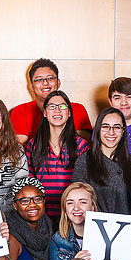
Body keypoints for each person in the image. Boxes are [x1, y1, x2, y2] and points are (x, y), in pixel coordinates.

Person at [46, 182, 118, 260]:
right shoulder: (59, 239)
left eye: (83, 202)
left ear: (93, 207)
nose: (76, 208)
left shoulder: (108, 239)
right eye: (70, 203)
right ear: (65, 208)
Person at [26, 90, 91, 220]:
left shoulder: (82, 146)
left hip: (73, 218)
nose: (57, 110)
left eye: (62, 106)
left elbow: (86, 187)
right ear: (44, 113)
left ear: (69, 113)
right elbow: (30, 185)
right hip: (42, 218)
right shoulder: (33, 145)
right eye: (52, 107)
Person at [72, 107, 131, 215]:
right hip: (94, 227)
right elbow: (77, 202)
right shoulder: (84, 162)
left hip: (127, 227)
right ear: (98, 129)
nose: (111, 132)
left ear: (123, 131)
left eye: (117, 127)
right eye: (105, 127)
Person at [10, 58, 92, 144]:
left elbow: (83, 146)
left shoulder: (76, 109)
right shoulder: (20, 111)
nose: (45, 83)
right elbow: (18, 149)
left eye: (50, 78)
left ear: (58, 82)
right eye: (39, 79)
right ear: (31, 86)